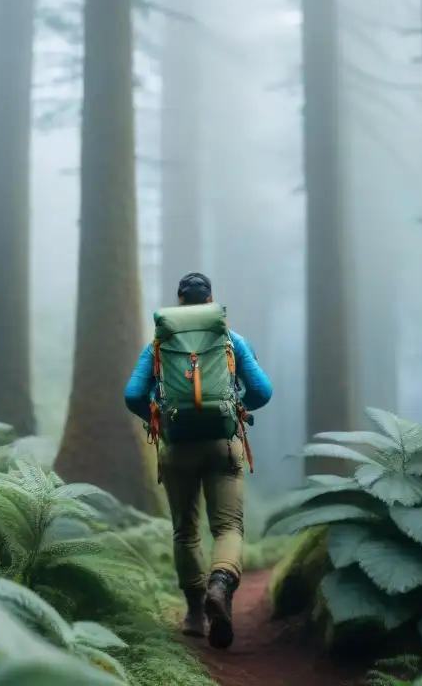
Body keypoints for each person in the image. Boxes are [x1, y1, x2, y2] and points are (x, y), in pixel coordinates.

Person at [124, 272, 273, 649]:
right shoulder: (230, 340)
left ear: (179, 301)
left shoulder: (160, 343)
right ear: (210, 301)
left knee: (185, 530)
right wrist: (238, 408)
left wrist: (156, 418)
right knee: (227, 528)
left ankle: (193, 613)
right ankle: (220, 583)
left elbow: (132, 394)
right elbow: (262, 391)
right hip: (223, 443)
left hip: (177, 447)